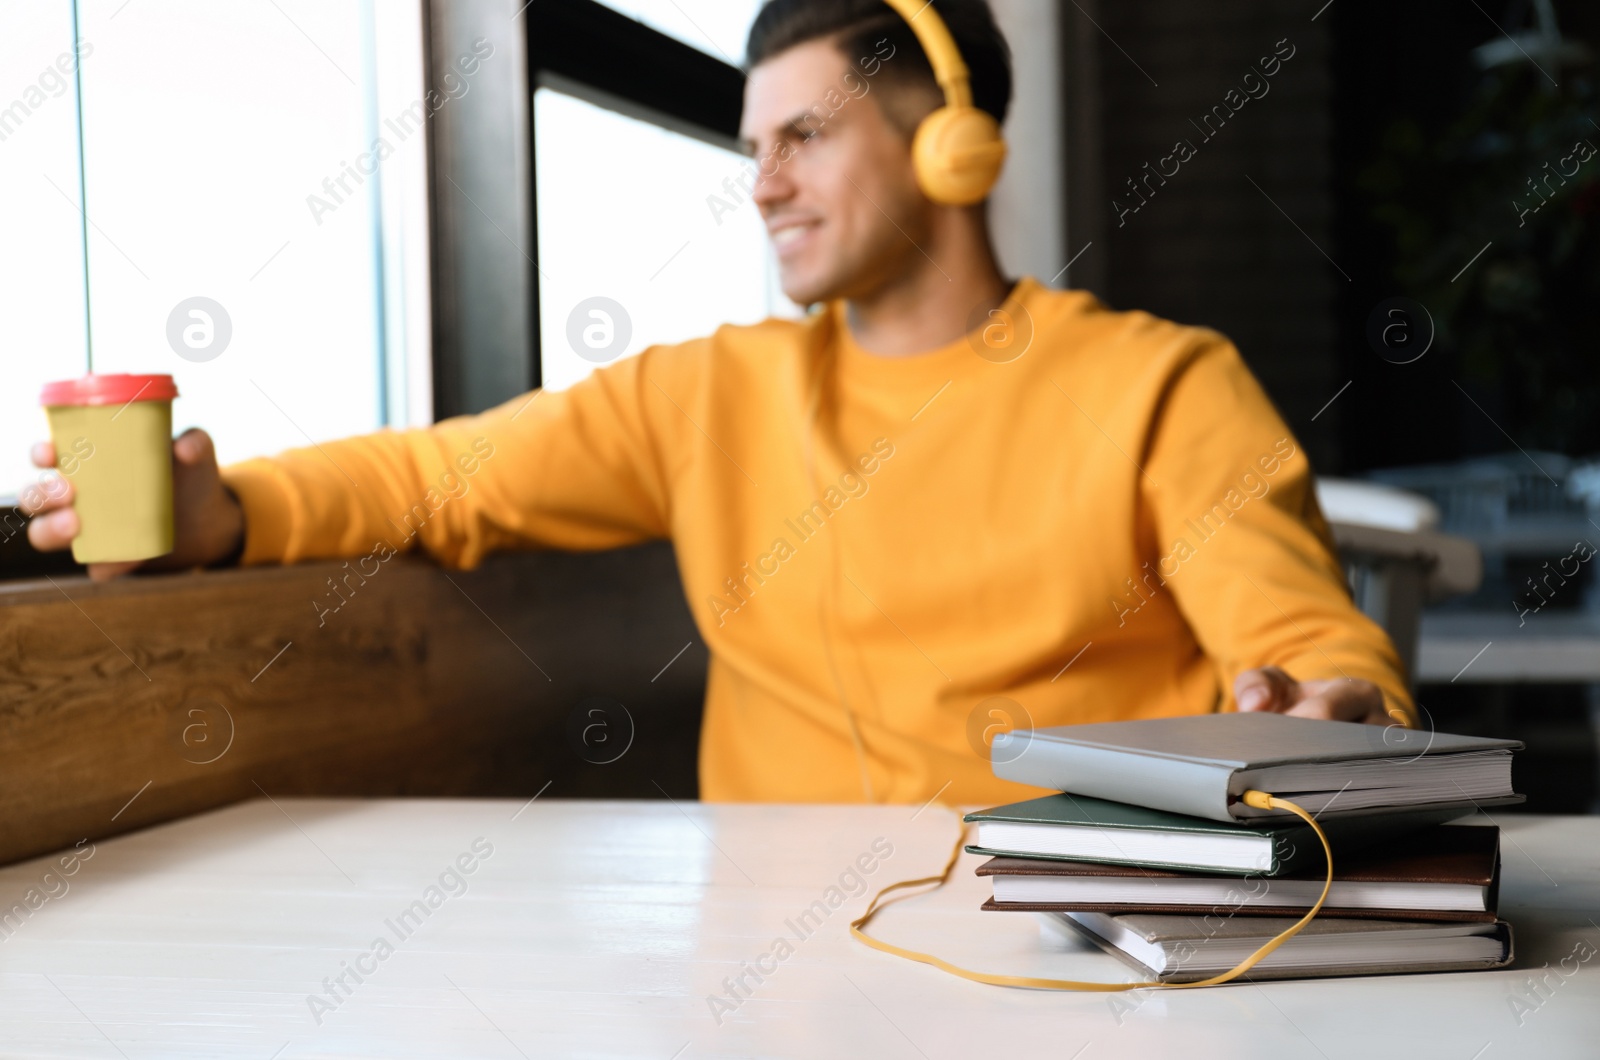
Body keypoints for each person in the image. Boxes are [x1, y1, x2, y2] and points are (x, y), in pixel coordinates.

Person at [23, 0, 1412, 805]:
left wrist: (1330, 705)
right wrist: (227, 509)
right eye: (754, 147)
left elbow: (1308, 650)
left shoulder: (1159, 384)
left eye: (806, 135)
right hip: (772, 970)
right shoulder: (711, 397)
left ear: (951, 143)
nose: (762, 185)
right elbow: (444, 478)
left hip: (1078, 950)